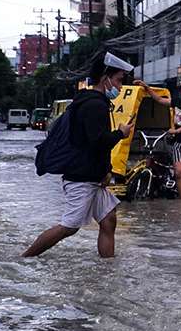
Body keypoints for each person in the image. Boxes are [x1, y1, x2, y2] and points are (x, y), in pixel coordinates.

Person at [23, 53, 136, 258]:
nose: (120, 87)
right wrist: (121, 133)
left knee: (108, 219)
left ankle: (107, 269)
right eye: (119, 80)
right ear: (105, 78)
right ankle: (26, 257)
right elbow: (98, 142)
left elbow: (91, 145)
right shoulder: (95, 105)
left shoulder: (91, 101)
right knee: (69, 227)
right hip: (81, 179)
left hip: (90, 176)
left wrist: (105, 171)